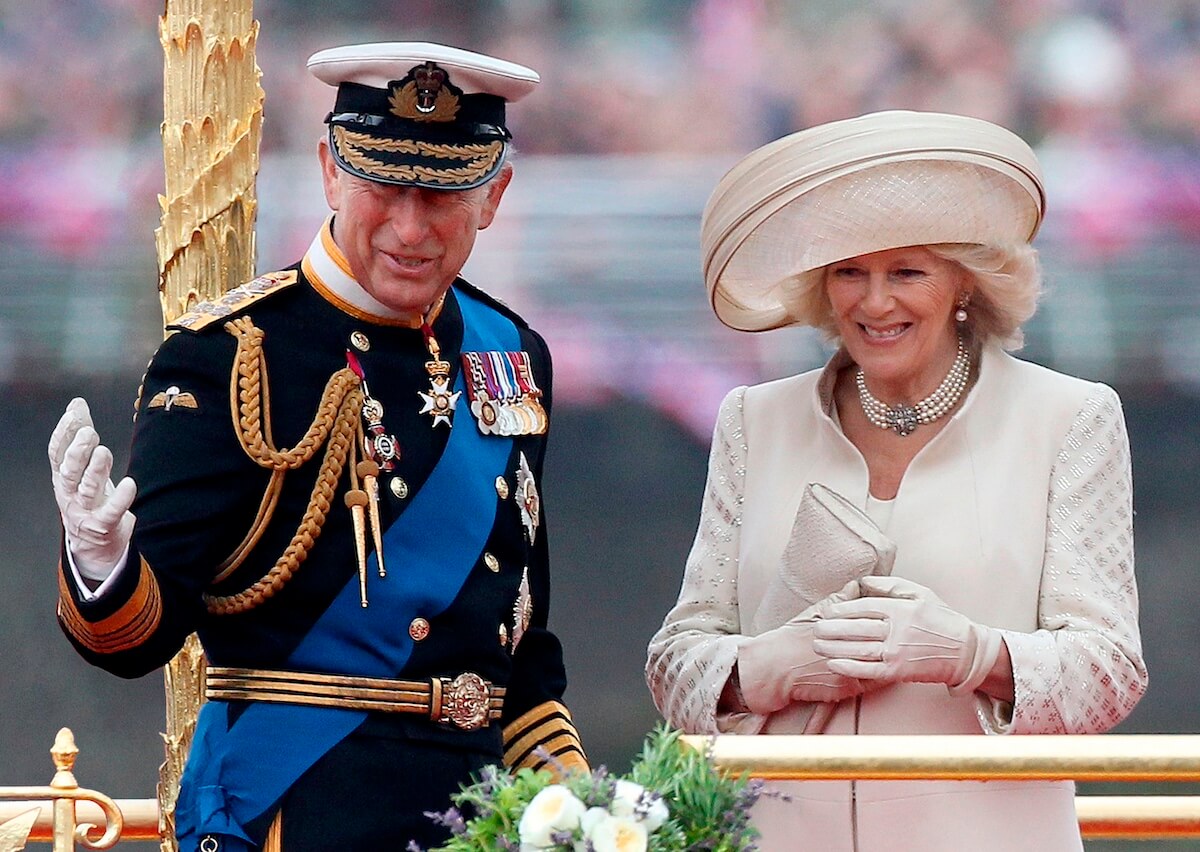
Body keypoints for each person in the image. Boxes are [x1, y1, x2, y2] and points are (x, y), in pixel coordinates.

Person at [48, 41, 587, 852]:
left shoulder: (510, 354)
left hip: (484, 820)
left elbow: (520, 647)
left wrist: (578, 807)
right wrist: (101, 561)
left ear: (493, 196)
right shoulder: (228, 354)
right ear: (331, 172)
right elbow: (139, 639)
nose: (411, 228)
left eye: (441, 195)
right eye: (384, 186)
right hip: (297, 813)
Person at [645, 110, 1147, 851]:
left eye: (906, 272)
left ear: (964, 285)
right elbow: (676, 663)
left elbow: (1109, 671)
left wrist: (970, 654)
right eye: (851, 273)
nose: (874, 303)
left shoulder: (1069, 418)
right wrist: (771, 665)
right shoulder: (755, 419)